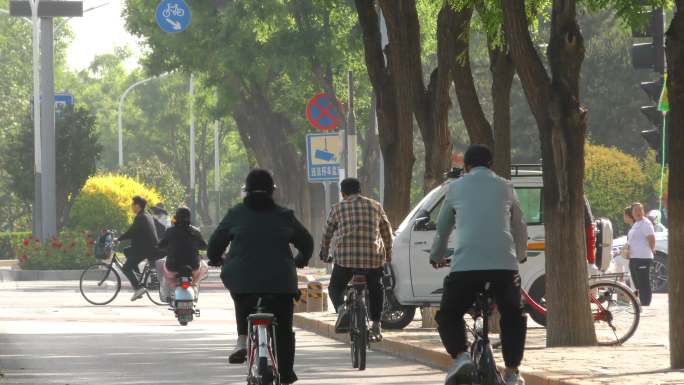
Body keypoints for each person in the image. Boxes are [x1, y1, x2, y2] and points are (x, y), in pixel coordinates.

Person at [430, 144, 528, 385]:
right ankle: (513, 371)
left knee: (449, 313)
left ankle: (461, 357)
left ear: (466, 166)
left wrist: (436, 257)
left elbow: (442, 230)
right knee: (513, 315)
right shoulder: (506, 187)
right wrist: (521, 254)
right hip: (504, 267)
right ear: (491, 164)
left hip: (466, 267)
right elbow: (519, 226)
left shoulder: (455, 188)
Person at [207, 169, 313, 385]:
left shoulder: (236, 213)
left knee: (242, 295)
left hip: (242, 281)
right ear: (272, 191)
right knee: (283, 327)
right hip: (281, 284)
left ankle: (242, 340)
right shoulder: (285, 216)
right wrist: (300, 259)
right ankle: (285, 373)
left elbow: (214, 245)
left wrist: (216, 258)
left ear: (246, 191)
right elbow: (307, 242)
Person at [320, 177, 393, 340]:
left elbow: (327, 234)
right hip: (373, 259)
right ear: (360, 190)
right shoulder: (375, 206)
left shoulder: (338, 208)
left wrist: (324, 252)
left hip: (345, 260)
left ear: (343, 193)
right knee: (376, 288)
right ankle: (376, 325)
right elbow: (387, 233)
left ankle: (342, 310)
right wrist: (388, 255)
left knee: (335, 288)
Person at [157, 207, 208, 301]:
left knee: (160, 263)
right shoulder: (196, 231)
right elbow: (204, 246)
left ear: (176, 217)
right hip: (193, 268)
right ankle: (194, 285)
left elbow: (160, 246)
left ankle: (165, 294)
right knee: (204, 265)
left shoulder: (170, 231)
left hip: (172, 268)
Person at [117, 196, 160, 301]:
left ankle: (138, 288)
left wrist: (118, 239)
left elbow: (131, 231)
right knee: (126, 251)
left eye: (132, 205)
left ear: (137, 206)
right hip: (147, 247)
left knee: (126, 268)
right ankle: (138, 276)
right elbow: (135, 232)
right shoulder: (146, 215)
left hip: (144, 249)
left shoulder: (140, 217)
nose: (131, 207)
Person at [628, 202, 656, 306]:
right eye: (635, 210)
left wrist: (652, 249)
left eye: (640, 210)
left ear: (643, 211)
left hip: (643, 257)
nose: (638, 212)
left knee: (643, 281)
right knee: (637, 282)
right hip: (634, 257)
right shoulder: (636, 224)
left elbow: (651, 238)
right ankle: (641, 301)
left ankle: (645, 303)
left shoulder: (646, 223)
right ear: (632, 213)